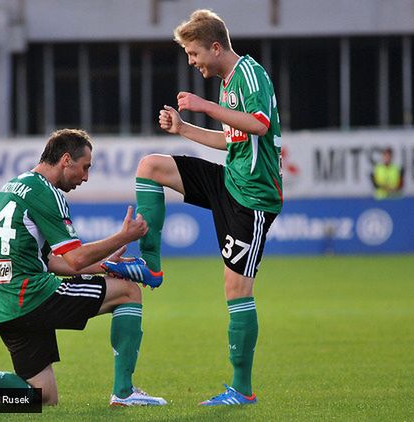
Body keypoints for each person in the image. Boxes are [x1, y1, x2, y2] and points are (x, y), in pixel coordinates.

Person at [103, 9, 282, 406]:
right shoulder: (227, 82)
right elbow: (232, 141)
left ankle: (241, 390)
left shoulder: (249, 75)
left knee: (236, 289)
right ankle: (151, 265)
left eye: (194, 53)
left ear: (216, 47)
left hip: (252, 196)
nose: (192, 62)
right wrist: (183, 129)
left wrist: (203, 106)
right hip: (230, 179)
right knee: (151, 167)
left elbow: (259, 125)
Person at [0, 129, 166, 407]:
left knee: (44, 398)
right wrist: (124, 236)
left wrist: (104, 265)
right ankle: (124, 393)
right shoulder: (46, 193)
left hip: (5, 306)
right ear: (65, 160)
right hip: (33, 295)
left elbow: (49, 260)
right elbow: (74, 260)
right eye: (85, 168)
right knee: (129, 292)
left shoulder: (12, 186)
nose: (85, 177)